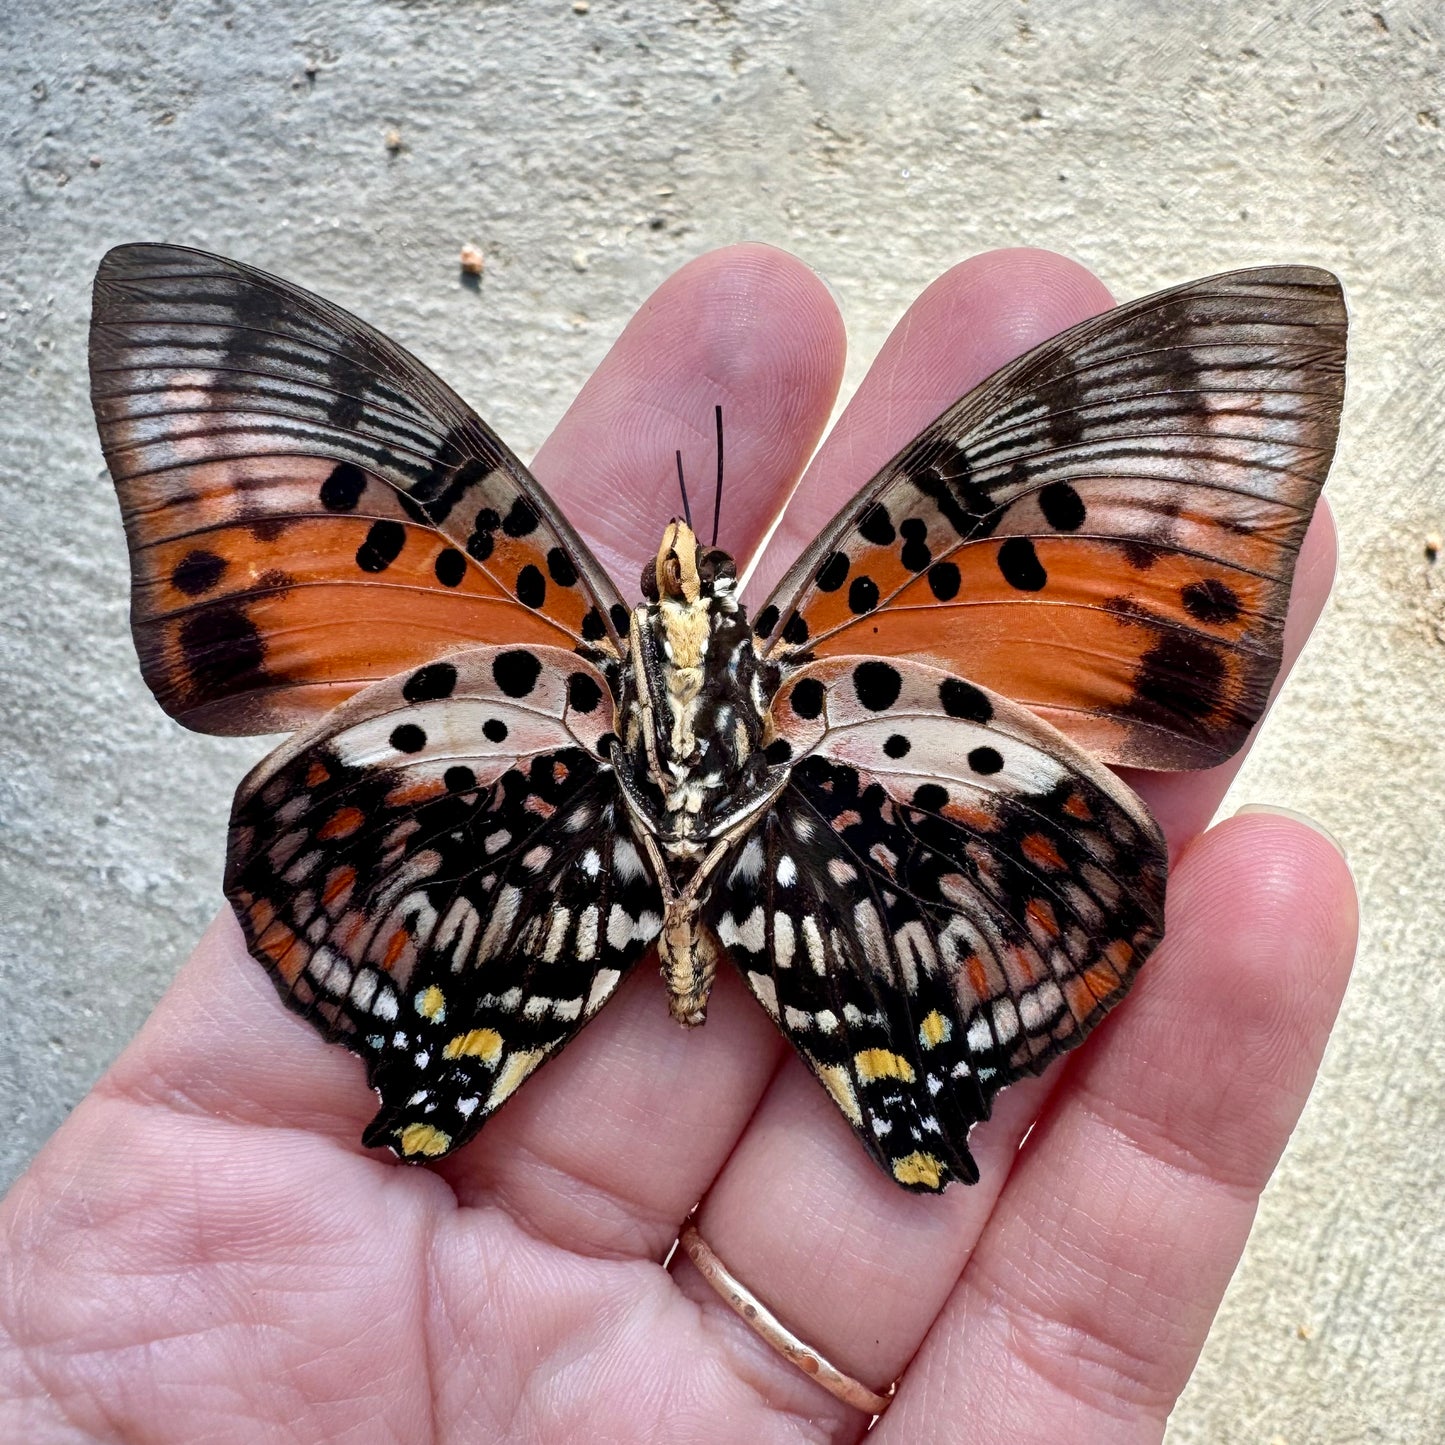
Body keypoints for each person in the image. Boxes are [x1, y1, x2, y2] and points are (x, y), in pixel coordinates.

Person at [0, 245, 1357, 1441]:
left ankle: (786, 1059)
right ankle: (822, 1061)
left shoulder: (560, 595)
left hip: (642, 822)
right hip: (813, 832)